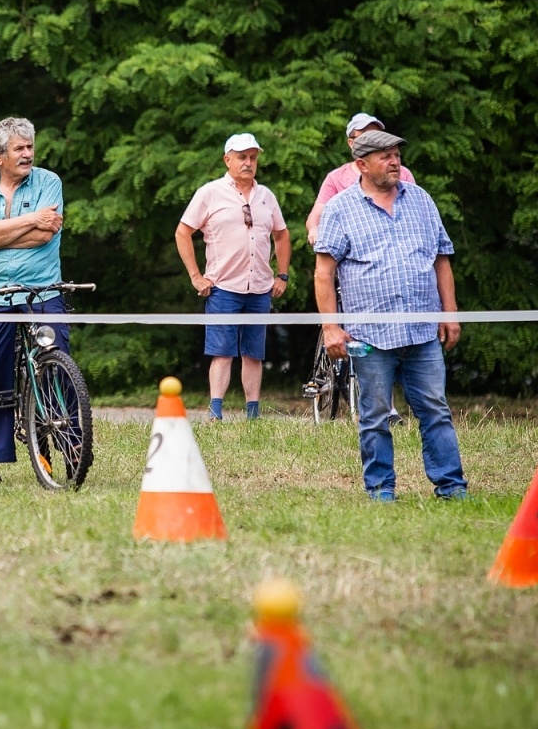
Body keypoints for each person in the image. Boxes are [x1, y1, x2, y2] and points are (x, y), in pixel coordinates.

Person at [313, 129, 468, 501]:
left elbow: (442, 260)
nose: (395, 161)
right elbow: (323, 272)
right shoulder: (340, 208)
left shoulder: (421, 201)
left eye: (397, 153)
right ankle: (381, 491)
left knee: (436, 411)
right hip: (369, 336)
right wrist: (331, 327)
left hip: (422, 331)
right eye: (385, 156)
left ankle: (452, 488)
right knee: (374, 416)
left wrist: (450, 314)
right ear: (361, 164)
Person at [0, 116, 68, 486]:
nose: (28, 154)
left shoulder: (49, 182)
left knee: (58, 365)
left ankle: (71, 446)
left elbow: (44, 235)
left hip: (42, 290)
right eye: (19, 149)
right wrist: (26, 221)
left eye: (30, 147)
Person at [175, 133, 292, 420]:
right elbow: (183, 232)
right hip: (223, 286)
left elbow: (282, 234)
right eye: (242, 157)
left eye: (252, 157)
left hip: (260, 287)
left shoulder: (266, 196)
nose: (248, 162)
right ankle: (216, 411)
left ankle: (253, 412)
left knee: (254, 353)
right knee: (222, 351)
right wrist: (196, 276)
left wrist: (283, 275)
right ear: (227, 160)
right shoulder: (210, 192)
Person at [304, 112, 416, 244]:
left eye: (377, 135)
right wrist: (314, 230)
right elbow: (317, 213)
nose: (372, 140)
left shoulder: (401, 173)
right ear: (351, 143)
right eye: (365, 136)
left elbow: (415, 212)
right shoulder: (336, 178)